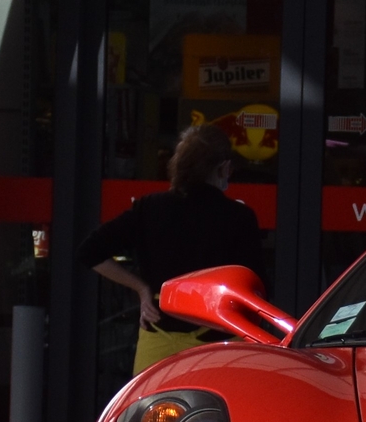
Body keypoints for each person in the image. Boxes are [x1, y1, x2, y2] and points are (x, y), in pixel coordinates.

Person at [77, 124, 265, 373]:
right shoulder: (239, 217)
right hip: (218, 343)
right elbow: (258, 289)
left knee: (148, 408)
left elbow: (90, 251)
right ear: (223, 168)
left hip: (158, 337)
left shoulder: (150, 208)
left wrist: (142, 289)